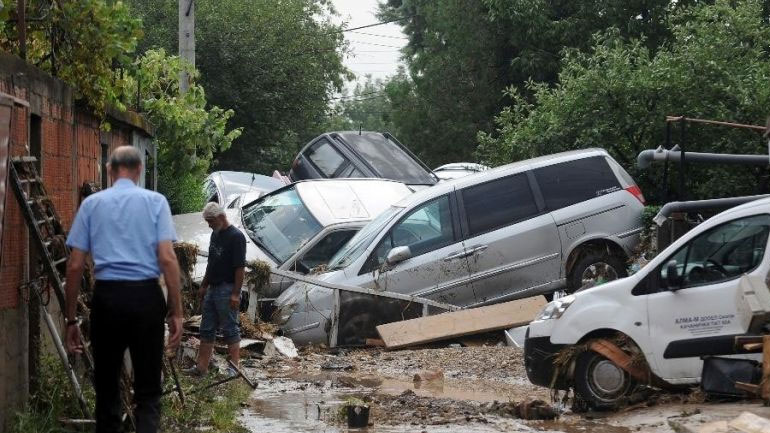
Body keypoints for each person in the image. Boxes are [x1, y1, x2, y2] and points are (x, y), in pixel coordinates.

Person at [64, 146, 183, 433]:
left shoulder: (91, 205)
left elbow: (75, 265)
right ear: (139, 170)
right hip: (146, 299)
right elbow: (168, 259)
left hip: (107, 300)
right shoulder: (156, 202)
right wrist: (176, 312)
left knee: (107, 390)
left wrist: (70, 319)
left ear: (109, 170)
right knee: (148, 391)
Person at [188, 202, 246, 376]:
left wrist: (235, 294)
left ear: (221, 217)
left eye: (211, 221)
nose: (209, 225)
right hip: (213, 288)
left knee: (230, 329)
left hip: (227, 288)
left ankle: (234, 368)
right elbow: (211, 262)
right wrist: (204, 285)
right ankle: (202, 367)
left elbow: (240, 268)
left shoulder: (236, 237)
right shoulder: (216, 234)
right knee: (206, 328)